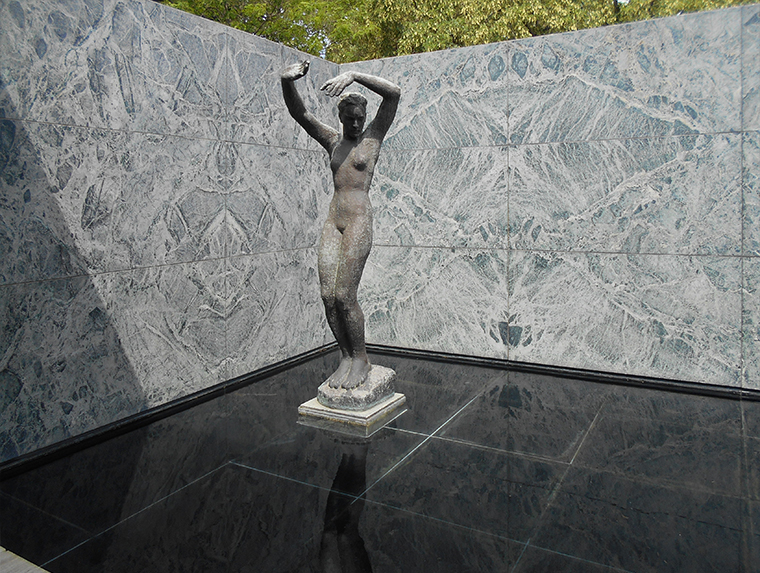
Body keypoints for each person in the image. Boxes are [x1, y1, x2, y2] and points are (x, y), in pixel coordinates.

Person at [281, 61, 400, 390]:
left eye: (360, 118)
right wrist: (287, 81)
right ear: (341, 118)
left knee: (346, 295)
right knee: (327, 295)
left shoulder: (372, 139)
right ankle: (346, 356)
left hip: (359, 220)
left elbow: (393, 94)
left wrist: (355, 75)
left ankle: (361, 358)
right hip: (334, 222)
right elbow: (301, 114)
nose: (356, 124)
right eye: (350, 119)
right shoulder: (333, 141)